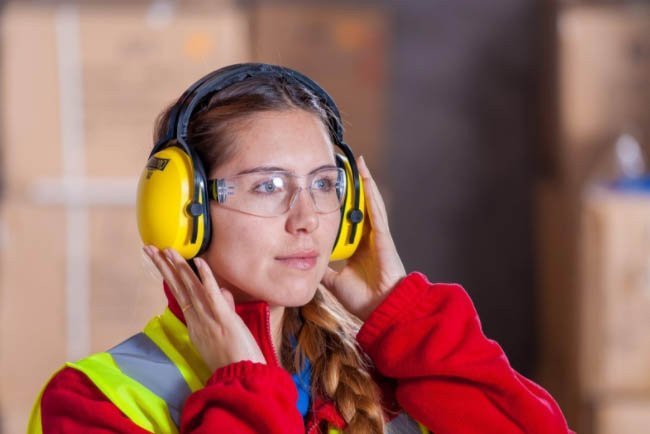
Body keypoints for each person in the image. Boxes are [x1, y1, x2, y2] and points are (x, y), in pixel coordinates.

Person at [28, 63, 573, 434]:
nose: (308, 218)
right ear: (182, 211)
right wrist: (243, 389)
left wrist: (406, 316)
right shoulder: (92, 402)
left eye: (324, 184)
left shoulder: (397, 376)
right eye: (268, 186)